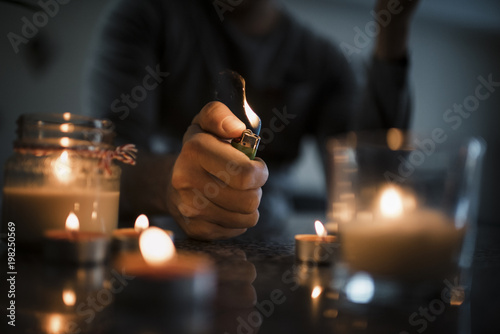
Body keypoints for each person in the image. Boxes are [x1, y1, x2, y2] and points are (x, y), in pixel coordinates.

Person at [85, 0, 420, 240]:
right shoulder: (145, 17)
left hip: (274, 255)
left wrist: (393, 31)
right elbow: (108, 159)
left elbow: (369, 183)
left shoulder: (323, 62)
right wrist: (170, 184)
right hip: (162, 248)